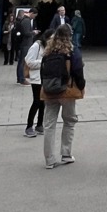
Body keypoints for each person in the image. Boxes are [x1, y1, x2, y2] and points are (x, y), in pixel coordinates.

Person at [40, 24, 86, 168]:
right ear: (69, 36)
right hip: (67, 91)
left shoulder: (48, 51)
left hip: (49, 90)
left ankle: (49, 159)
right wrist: (82, 86)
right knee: (69, 121)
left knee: (49, 125)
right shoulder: (71, 51)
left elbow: (42, 72)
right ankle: (66, 154)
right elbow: (78, 70)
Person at [23, 28, 52, 137]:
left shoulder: (49, 47)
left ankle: (39, 125)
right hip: (36, 78)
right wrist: (43, 62)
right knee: (36, 101)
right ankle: (29, 126)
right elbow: (29, 61)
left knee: (43, 102)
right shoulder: (36, 46)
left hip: (45, 77)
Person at [17, 8, 39, 85]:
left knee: (21, 61)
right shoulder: (27, 21)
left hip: (24, 43)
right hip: (25, 44)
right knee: (23, 61)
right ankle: (22, 79)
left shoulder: (24, 20)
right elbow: (26, 33)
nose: (34, 17)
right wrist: (34, 33)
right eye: (35, 15)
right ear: (32, 13)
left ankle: (19, 78)